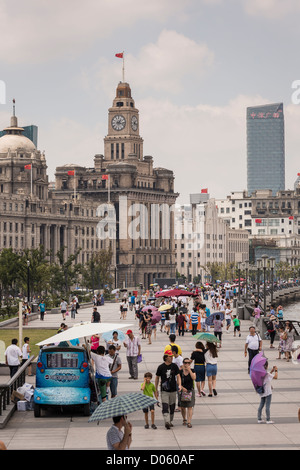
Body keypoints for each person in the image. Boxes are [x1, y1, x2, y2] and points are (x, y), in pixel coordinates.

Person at [155, 350, 182, 429]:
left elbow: (178, 376)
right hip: (164, 390)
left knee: (172, 407)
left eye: (172, 356)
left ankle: (170, 421)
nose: (172, 357)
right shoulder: (161, 367)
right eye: (170, 356)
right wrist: (156, 388)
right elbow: (157, 378)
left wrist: (179, 385)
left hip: (173, 389)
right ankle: (167, 421)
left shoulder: (174, 366)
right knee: (165, 406)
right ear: (166, 357)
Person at [179, 358, 196, 428]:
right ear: (183, 363)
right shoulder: (180, 372)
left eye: (188, 363)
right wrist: (182, 388)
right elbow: (178, 382)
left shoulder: (192, 370)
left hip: (190, 391)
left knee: (190, 407)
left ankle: (189, 422)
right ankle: (184, 419)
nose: (186, 364)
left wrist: (189, 370)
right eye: (185, 363)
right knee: (183, 407)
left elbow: (194, 378)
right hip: (182, 391)